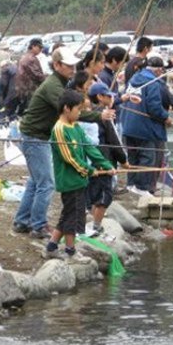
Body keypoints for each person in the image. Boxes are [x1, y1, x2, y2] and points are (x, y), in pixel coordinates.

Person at [13, 47, 115, 238]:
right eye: (68, 66)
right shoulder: (54, 86)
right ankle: (38, 225)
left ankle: (22, 221)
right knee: (47, 183)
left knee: (36, 182)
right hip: (35, 137)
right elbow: (70, 111)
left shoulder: (62, 82)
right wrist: (99, 115)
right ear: (57, 65)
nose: (72, 69)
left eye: (73, 65)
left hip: (38, 136)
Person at [42, 89, 115, 262]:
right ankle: (70, 252)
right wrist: (90, 171)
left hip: (79, 180)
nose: (80, 113)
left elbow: (89, 147)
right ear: (67, 108)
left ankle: (52, 247)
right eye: (78, 110)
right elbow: (70, 158)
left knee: (68, 213)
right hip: (69, 181)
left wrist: (105, 164)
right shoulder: (59, 130)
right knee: (72, 217)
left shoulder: (75, 126)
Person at [122, 57, 173, 196]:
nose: (162, 73)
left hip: (128, 125)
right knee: (147, 157)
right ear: (158, 70)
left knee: (133, 157)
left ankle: (131, 184)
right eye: (162, 70)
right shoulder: (153, 83)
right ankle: (142, 188)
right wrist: (166, 117)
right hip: (144, 128)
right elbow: (155, 107)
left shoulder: (134, 79)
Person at [85, 82, 128, 236]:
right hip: (103, 160)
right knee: (104, 195)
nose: (111, 98)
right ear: (99, 97)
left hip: (88, 161)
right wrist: (124, 161)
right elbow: (114, 141)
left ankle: (93, 224)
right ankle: (96, 226)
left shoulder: (86, 113)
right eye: (108, 96)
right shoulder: (104, 115)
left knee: (92, 193)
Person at [13, 37, 46, 115]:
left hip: (24, 88)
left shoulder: (26, 56)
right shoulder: (30, 59)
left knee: (25, 108)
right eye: (39, 47)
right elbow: (36, 75)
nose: (41, 49)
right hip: (28, 89)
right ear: (33, 46)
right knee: (30, 110)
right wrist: (49, 79)